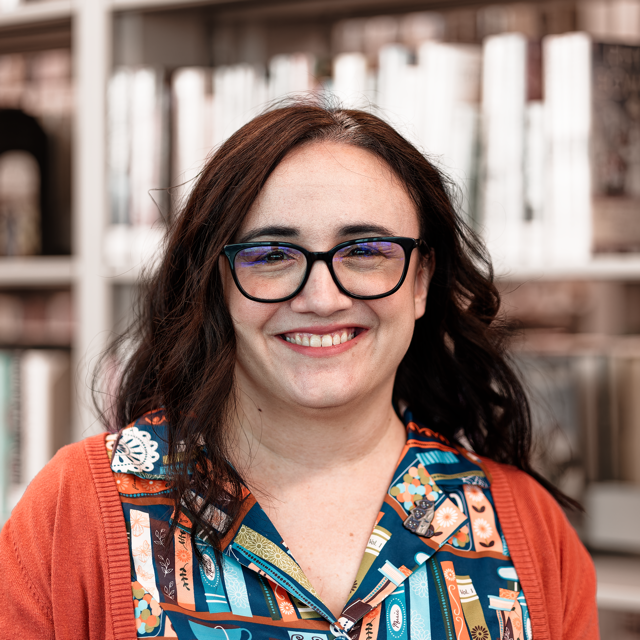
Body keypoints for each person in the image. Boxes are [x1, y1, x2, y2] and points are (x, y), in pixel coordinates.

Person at [0, 104, 598, 639]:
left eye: (365, 251)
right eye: (272, 255)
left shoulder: (530, 529)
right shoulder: (77, 510)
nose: (322, 297)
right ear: (218, 285)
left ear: (421, 281)